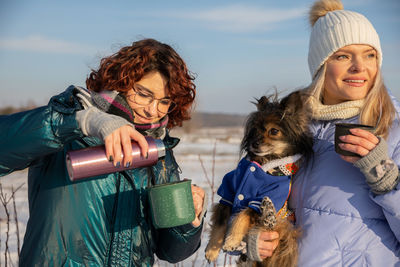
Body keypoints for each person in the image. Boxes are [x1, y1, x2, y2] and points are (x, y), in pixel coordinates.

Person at [0, 38, 206, 266]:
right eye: (144, 94)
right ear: (122, 80)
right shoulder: (71, 121)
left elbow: (172, 252)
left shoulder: (157, 148)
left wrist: (189, 220)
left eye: (164, 101)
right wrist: (81, 122)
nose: (153, 110)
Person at [245, 0, 400, 265]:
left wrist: (386, 180)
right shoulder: (287, 128)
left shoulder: (393, 128)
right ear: (320, 65)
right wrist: (251, 239)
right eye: (343, 56)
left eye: (369, 55)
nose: (359, 67)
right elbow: (248, 199)